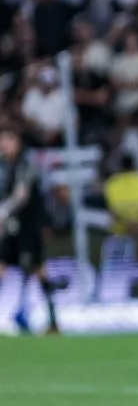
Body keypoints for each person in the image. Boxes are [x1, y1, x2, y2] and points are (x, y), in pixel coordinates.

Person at [0, 128, 59, 335]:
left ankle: (52, 320)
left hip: (28, 228)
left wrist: (2, 212)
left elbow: (21, 195)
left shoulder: (27, 164)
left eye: (7, 139)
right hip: (12, 227)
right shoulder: (6, 165)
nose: (3, 145)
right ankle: (19, 314)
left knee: (37, 271)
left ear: (18, 141)